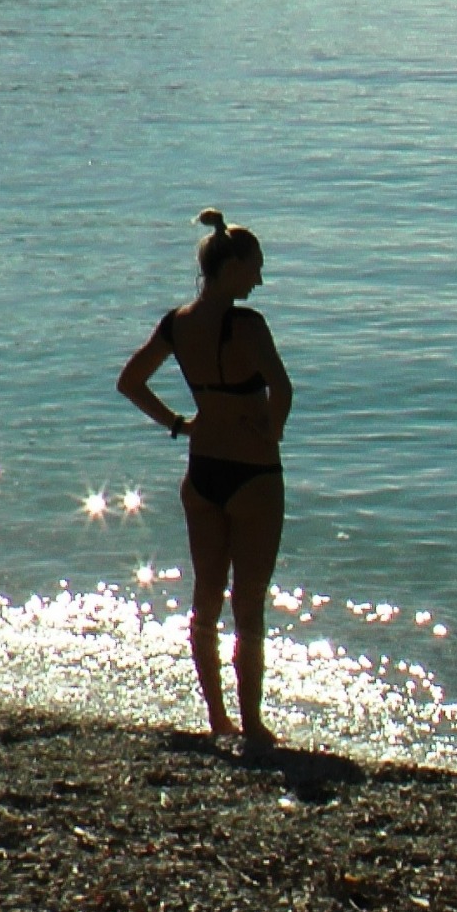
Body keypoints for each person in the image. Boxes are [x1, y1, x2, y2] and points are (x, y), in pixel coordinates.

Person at [119, 209, 292, 752]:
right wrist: (272, 432)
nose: (260, 279)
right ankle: (254, 724)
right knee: (250, 604)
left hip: (201, 471)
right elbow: (282, 389)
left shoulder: (178, 323)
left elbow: (130, 382)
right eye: (256, 268)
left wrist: (178, 423)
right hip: (253, 475)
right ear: (233, 267)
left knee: (206, 599)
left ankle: (217, 717)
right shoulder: (249, 325)